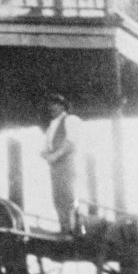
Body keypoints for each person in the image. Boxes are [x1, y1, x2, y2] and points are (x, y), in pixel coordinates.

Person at [41, 94, 83, 234]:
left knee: (69, 196)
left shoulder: (71, 120)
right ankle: (64, 228)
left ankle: (74, 229)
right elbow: (44, 149)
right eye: (50, 105)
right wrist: (47, 155)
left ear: (63, 106)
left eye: (56, 104)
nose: (51, 107)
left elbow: (70, 143)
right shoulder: (51, 126)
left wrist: (55, 156)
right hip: (55, 167)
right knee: (57, 198)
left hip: (67, 164)